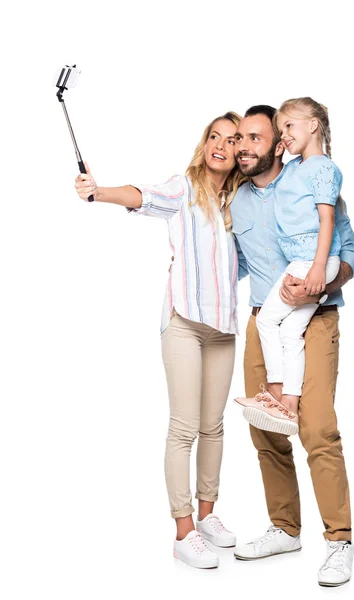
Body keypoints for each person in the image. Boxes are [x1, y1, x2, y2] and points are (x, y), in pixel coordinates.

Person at [74, 112, 246, 569]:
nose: (220, 146)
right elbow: (142, 195)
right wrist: (99, 191)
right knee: (184, 427)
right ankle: (184, 530)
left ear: (238, 153)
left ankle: (209, 515)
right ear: (204, 143)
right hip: (184, 321)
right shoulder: (184, 187)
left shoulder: (240, 201)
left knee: (214, 426)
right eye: (214, 136)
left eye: (231, 141)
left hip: (223, 327)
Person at [228, 105, 354, 587]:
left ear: (279, 144)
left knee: (318, 429)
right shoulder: (236, 201)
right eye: (240, 138)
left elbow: (351, 256)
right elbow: (236, 266)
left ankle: (339, 541)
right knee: (264, 430)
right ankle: (284, 528)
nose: (245, 146)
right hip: (264, 319)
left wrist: (319, 286)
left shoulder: (308, 183)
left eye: (256, 137)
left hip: (316, 318)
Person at [235, 98, 344, 437]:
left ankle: (277, 395)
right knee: (286, 331)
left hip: (313, 270)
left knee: (271, 321)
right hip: (301, 269)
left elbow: (333, 228)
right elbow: (238, 263)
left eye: (288, 127)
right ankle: (289, 405)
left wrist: (318, 273)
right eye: (240, 138)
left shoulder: (318, 170)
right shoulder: (246, 195)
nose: (284, 135)